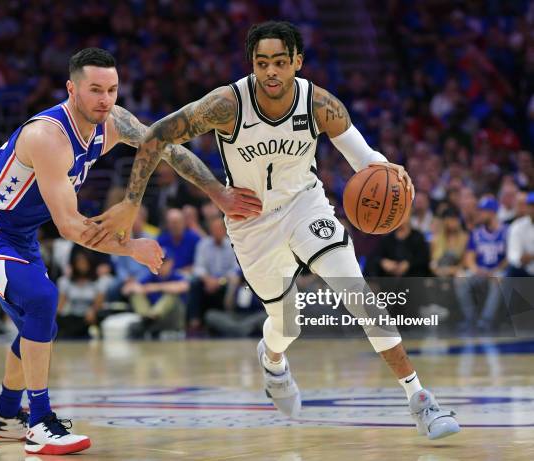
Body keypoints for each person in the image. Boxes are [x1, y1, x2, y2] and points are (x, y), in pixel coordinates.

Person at [88, 22, 459, 439]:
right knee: (287, 326)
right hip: (251, 221)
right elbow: (157, 136)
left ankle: (420, 398)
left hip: (306, 204)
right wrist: (140, 201)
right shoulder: (226, 104)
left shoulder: (320, 104)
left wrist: (389, 170)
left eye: (281, 62)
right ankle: (274, 360)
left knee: (354, 290)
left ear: (297, 62)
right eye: (262, 63)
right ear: (252, 64)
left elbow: (366, 161)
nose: (271, 72)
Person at [0, 48, 256, 455]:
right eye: (94, 90)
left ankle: (2, 414)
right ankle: (39, 421)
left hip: (19, 238)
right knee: (40, 301)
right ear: (71, 89)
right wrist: (133, 248)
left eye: (111, 90)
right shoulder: (48, 136)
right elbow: (71, 226)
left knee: (38, 320)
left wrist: (218, 194)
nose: (105, 99)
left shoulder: (112, 122)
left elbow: (165, 147)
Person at [455, 197, 508, 333]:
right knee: (460, 279)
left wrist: (496, 270)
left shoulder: (506, 231)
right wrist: (476, 269)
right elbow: (469, 257)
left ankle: (486, 321)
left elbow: (509, 257)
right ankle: (470, 319)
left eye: (483, 211)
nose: (480, 214)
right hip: (480, 271)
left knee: (497, 280)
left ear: (492, 212)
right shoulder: (477, 233)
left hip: (499, 271)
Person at [506, 192, 534, 277]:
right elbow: (513, 255)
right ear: (527, 207)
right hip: (526, 271)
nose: (533, 209)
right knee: (512, 270)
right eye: (531, 206)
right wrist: (520, 259)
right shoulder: (518, 226)